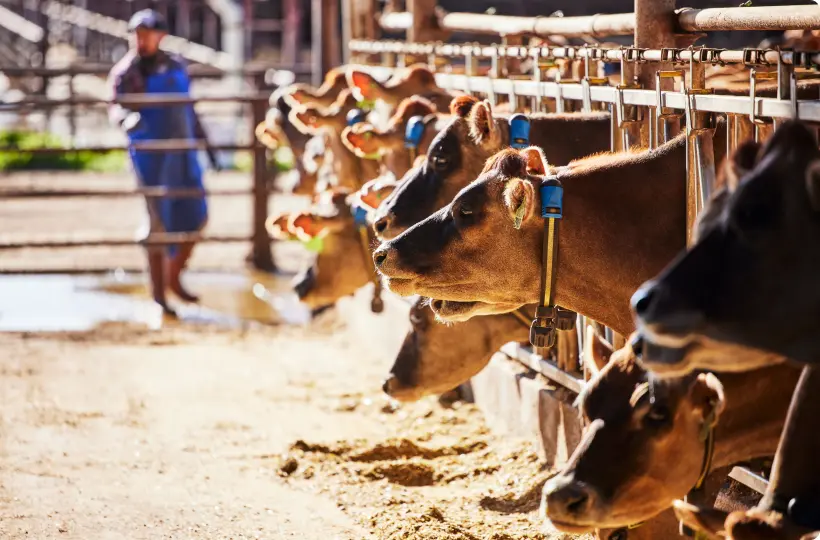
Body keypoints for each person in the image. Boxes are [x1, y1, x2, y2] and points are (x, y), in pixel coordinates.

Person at [108, 9, 218, 316]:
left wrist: (206, 145)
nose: (141, 41)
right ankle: (160, 296)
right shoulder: (127, 73)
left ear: (161, 36)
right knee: (157, 224)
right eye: (137, 35)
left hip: (183, 153)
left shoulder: (176, 66)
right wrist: (126, 119)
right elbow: (115, 107)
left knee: (197, 217)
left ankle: (174, 277)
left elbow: (189, 109)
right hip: (150, 157)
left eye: (147, 35)